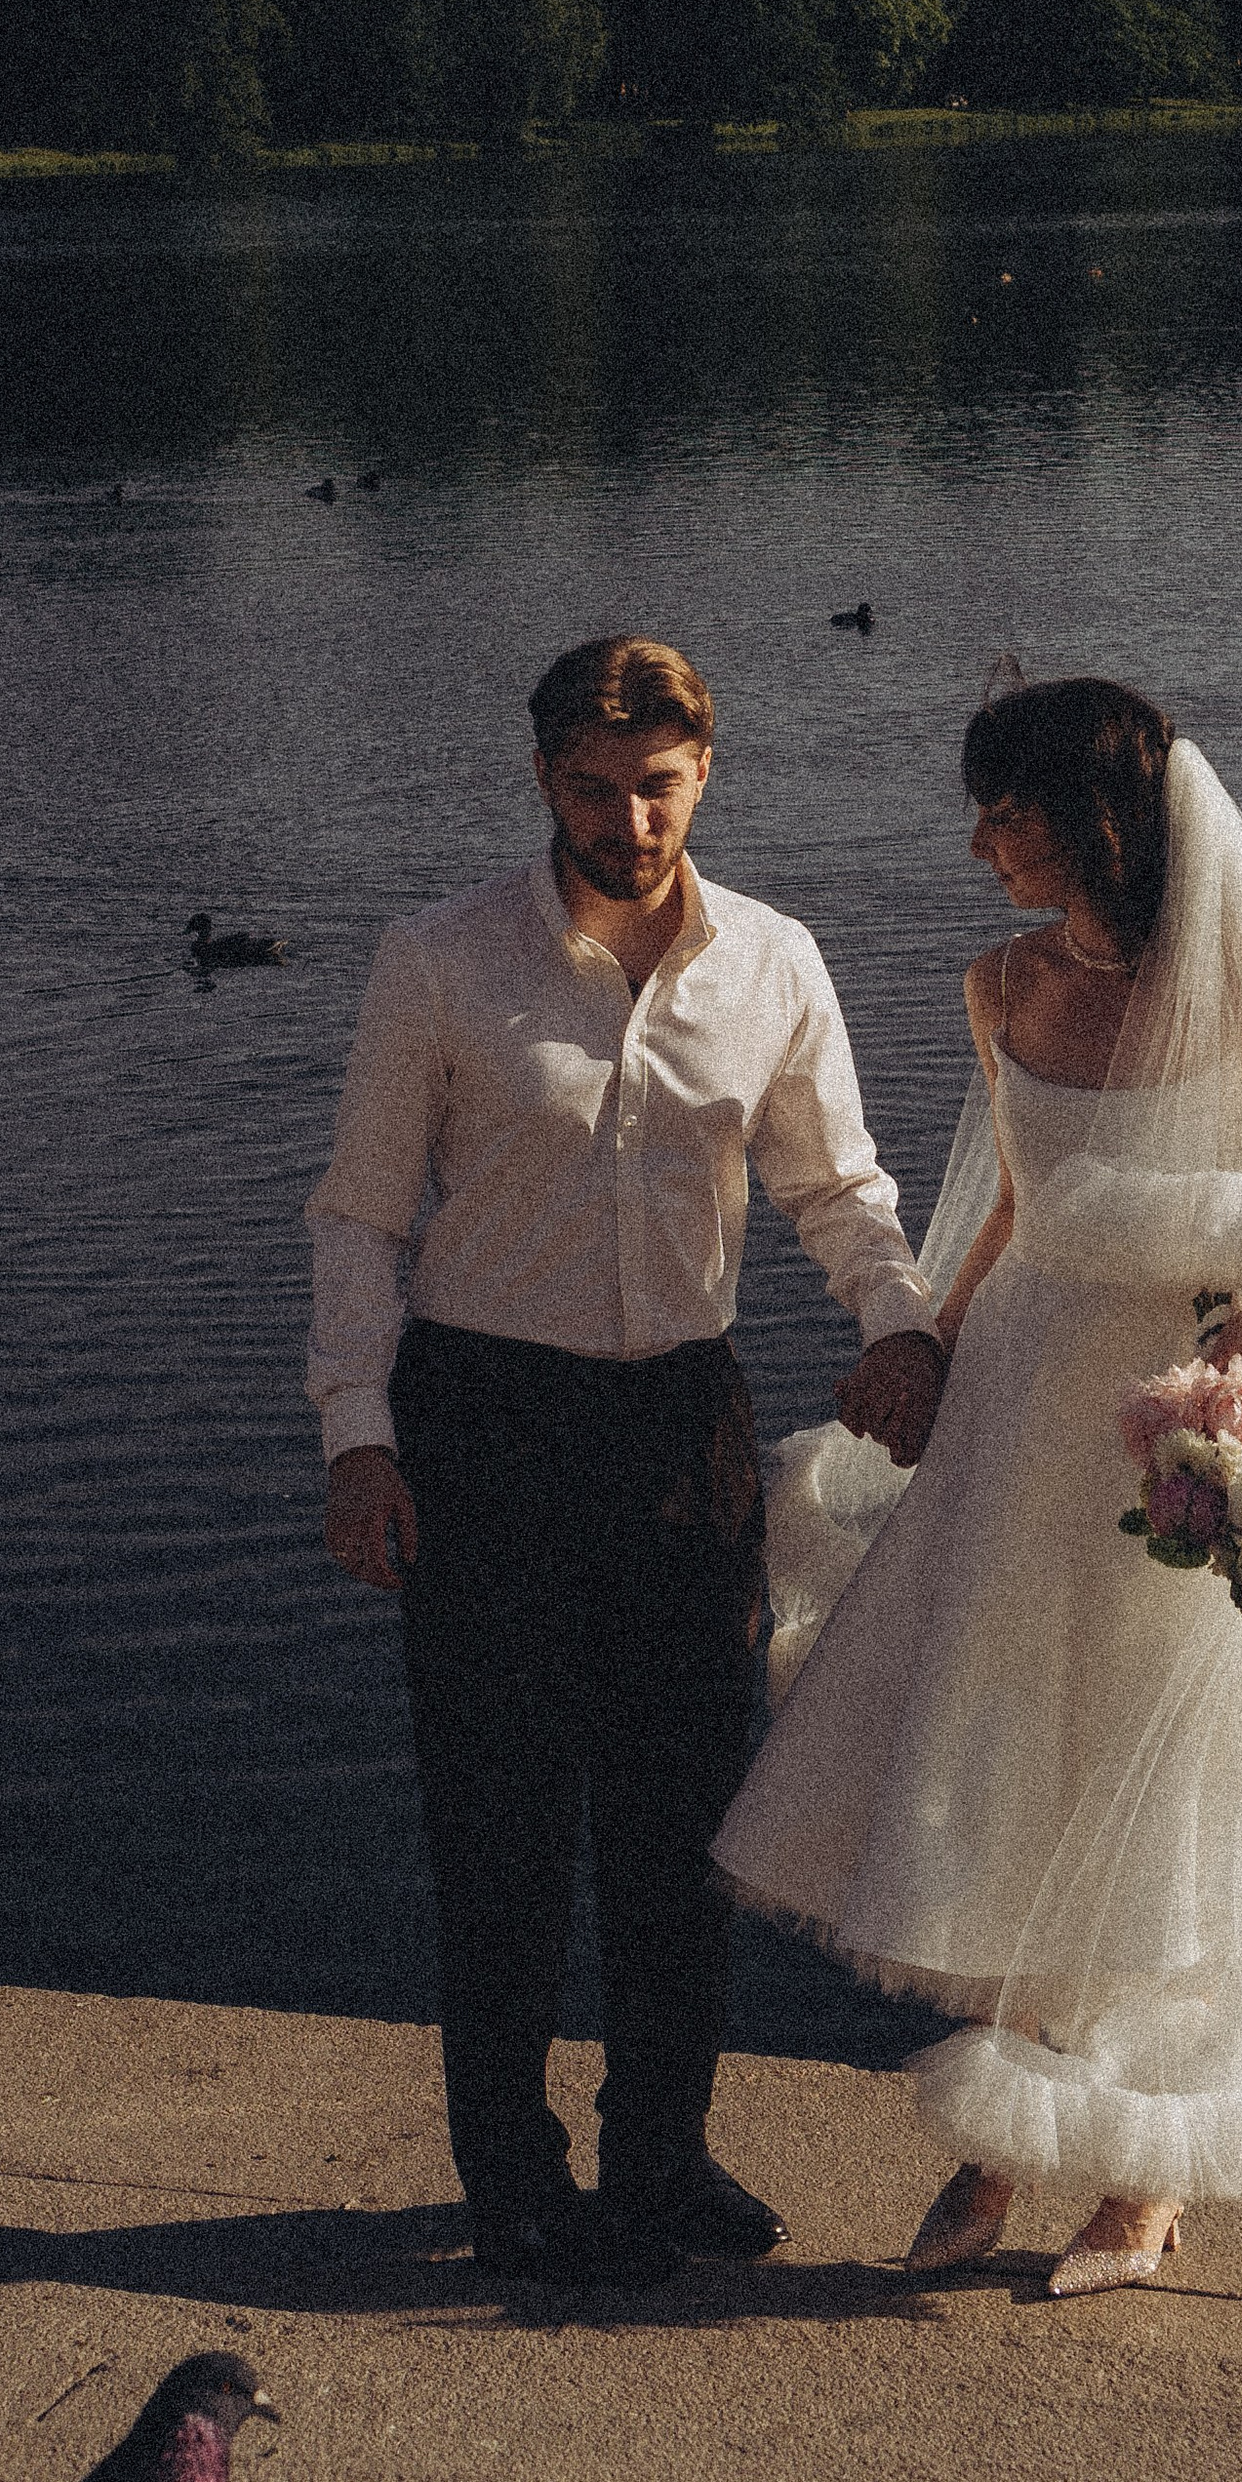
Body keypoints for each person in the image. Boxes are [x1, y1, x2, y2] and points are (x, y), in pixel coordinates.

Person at [714, 676, 1242, 2295]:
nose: (985, 841)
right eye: (982, 810)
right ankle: (1011, 2127)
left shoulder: (1235, 995)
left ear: (1106, 823)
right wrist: (928, 1339)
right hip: (1026, 1398)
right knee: (1012, 1739)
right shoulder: (996, 983)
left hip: (1169, 1412)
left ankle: (1147, 2179)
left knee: (1179, 1770)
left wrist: (1238, 1368)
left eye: (1014, 811)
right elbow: (1018, 1199)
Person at [308, 635, 947, 2287]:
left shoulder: (777, 964)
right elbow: (363, 1217)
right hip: (485, 1433)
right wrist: (360, 1440)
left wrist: (899, 1325)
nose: (626, 818)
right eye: (591, 787)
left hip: (684, 1434)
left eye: (654, 784)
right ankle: (509, 2171)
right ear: (543, 782)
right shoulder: (441, 961)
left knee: (685, 1834)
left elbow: (838, 1188)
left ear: (703, 774)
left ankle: (660, 2159)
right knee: (502, 1832)